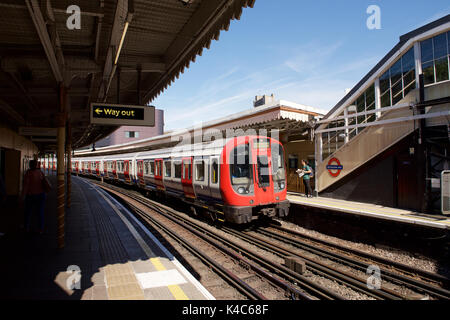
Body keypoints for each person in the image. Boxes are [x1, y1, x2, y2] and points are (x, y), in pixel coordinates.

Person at [22, 160, 51, 234]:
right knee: (40, 212)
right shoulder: (40, 172)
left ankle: (26, 227)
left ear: (30, 165)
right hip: (41, 195)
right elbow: (45, 182)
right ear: (36, 165)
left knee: (28, 212)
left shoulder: (28, 173)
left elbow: (25, 186)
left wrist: (23, 196)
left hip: (31, 195)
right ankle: (40, 229)